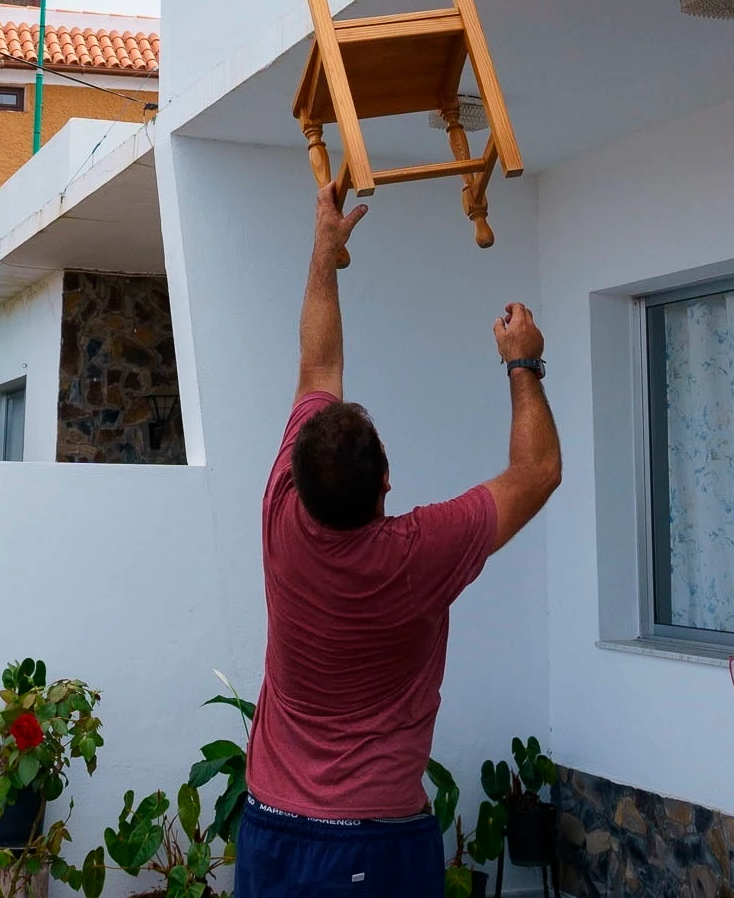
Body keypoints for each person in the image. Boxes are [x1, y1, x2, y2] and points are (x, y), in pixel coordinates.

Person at [235, 186, 563, 897]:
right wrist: (523, 364)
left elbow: (317, 369)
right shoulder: (420, 554)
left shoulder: (280, 512)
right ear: (387, 481)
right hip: (377, 843)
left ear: (293, 473)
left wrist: (324, 252)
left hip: (272, 830)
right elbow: (536, 474)